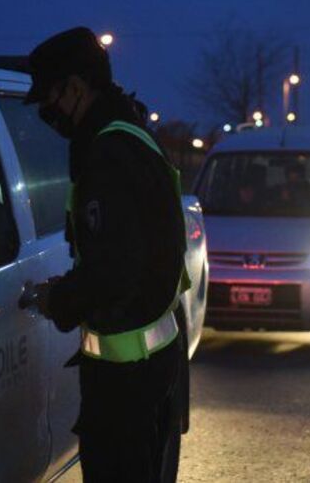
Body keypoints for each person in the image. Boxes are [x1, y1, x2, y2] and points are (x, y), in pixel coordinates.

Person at [25, 27, 190, 482]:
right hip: (148, 363)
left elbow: (113, 269)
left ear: (76, 88)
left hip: (125, 378)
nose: (46, 112)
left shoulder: (108, 154)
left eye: (49, 99)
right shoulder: (129, 132)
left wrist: (56, 300)